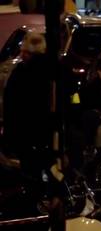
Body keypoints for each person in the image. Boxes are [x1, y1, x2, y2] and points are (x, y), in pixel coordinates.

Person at [2, 32, 53, 178]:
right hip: (31, 129)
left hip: (31, 129)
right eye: (22, 51)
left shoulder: (25, 72)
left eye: (26, 52)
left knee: (33, 167)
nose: (22, 55)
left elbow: (12, 103)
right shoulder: (22, 71)